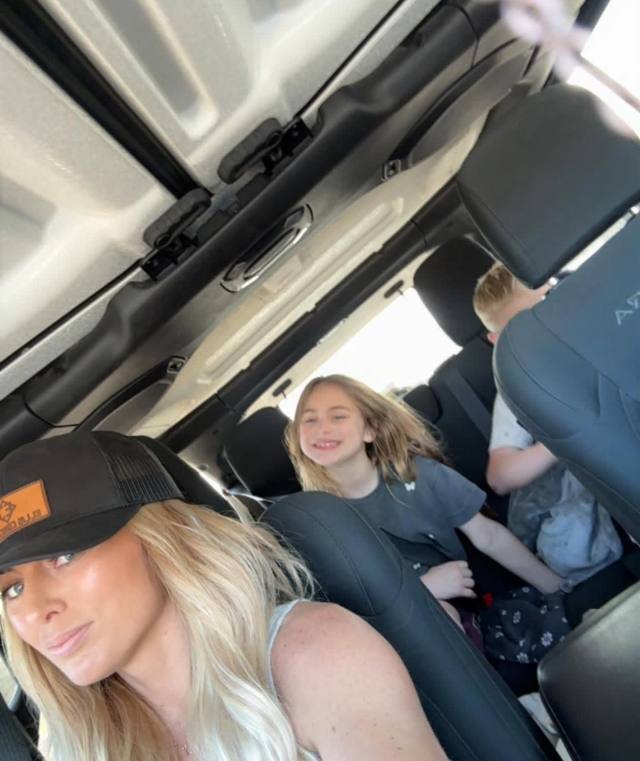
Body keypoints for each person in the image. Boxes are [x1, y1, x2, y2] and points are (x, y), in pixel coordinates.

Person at [0, 431, 447, 761]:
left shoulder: (314, 656)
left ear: (161, 536)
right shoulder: (76, 742)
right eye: (12, 588)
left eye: (64, 556)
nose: (34, 610)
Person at [285, 374, 572, 669]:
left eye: (338, 416)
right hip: (394, 634)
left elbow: (488, 536)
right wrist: (423, 589)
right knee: (441, 612)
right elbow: (349, 608)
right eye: (310, 420)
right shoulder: (316, 523)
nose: (322, 428)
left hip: (463, 612)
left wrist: (557, 587)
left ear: (370, 429)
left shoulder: (420, 477)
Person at [473, 262, 622, 583]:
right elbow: (500, 477)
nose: (545, 325)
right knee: (571, 535)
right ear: (498, 339)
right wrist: (562, 436)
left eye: (547, 304)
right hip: (588, 486)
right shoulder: (518, 386)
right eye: (526, 325)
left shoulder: (604, 327)